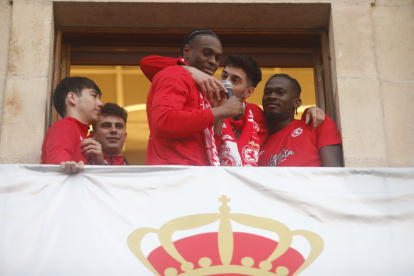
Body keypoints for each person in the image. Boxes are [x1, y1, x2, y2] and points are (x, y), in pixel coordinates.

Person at [141, 54, 326, 166]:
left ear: (248, 92)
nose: (225, 82)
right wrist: (189, 70)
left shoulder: (258, 114)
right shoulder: (204, 98)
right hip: (205, 184)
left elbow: (283, 119)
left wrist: (310, 110)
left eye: (235, 80)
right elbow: (147, 64)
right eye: (224, 75)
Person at [145, 28, 243, 166]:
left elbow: (210, 145)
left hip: (198, 174)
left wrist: (219, 111)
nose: (212, 62)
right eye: (206, 53)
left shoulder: (203, 89)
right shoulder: (176, 74)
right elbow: (163, 122)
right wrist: (223, 111)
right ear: (187, 51)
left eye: (217, 58)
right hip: (174, 174)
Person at [258, 74, 343, 167]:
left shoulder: (317, 123)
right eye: (267, 92)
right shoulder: (255, 140)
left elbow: (335, 174)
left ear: (296, 103)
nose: (271, 96)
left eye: (280, 92)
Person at [41, 77, 105, 174]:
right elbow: (59, 169)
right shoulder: (64, 126)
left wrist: (100, 163)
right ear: (72, 98)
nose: (101, 104)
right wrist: (65, 165)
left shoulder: (84, 135)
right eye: (93, 95)